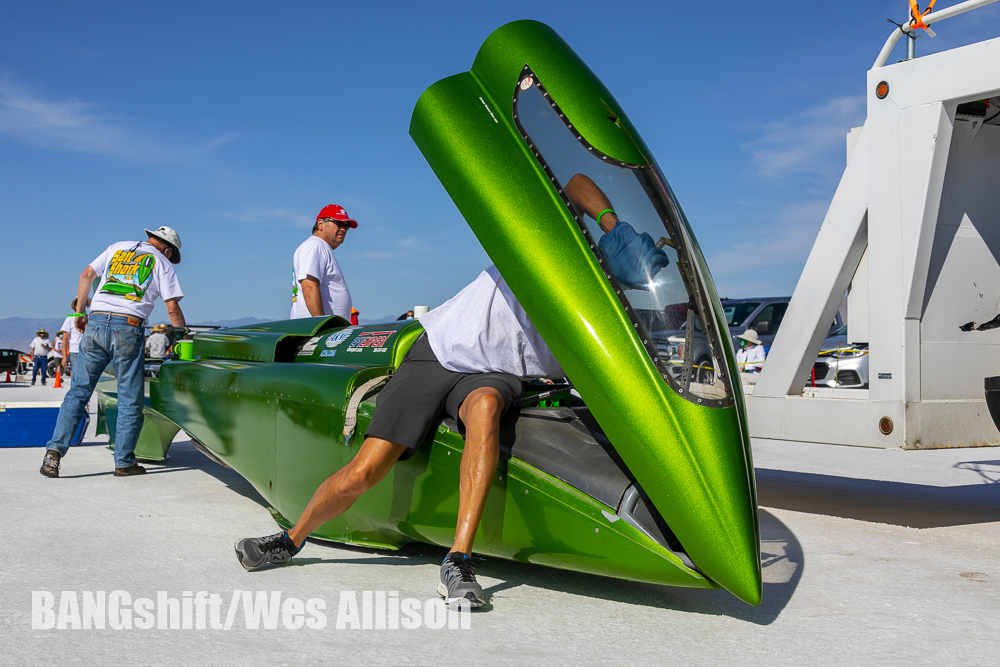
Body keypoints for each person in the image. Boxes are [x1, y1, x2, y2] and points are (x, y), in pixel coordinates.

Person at [235, 265, 563, 608]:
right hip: (438, 351)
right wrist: (607, 221)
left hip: (497, 369)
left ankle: (458, 561)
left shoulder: (605, 280)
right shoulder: (544, 232)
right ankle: (290, 540)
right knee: (364, 472)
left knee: (485, 408)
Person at [40, 226, 187, 479]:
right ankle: (124, 462)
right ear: (168, 248)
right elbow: (172, 308)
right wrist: (182, 336)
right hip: (128, 329)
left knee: (78, 393)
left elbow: (87, 274)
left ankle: (53, 453)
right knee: (129, 399)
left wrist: (79, 312)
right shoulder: (162, 262)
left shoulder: (117, 247)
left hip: (95, 324)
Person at [290, 205, 356, 320]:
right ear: (320, 224)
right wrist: (320, 325)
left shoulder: (320, 247)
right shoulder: (315, 245)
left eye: (347, 226)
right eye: (339, 223)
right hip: (316, 332)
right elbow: (309, 285)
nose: (343, 229)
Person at [59, 297, 90, 379]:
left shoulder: (91, 319)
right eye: (80, 304)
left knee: (87, 376)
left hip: (88, 351)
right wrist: (64, 357)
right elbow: (65, 340)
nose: (83, 306)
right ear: (76, 306)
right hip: (75, 351)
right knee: (76, 375)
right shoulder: (69, 319)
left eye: (85, 304)